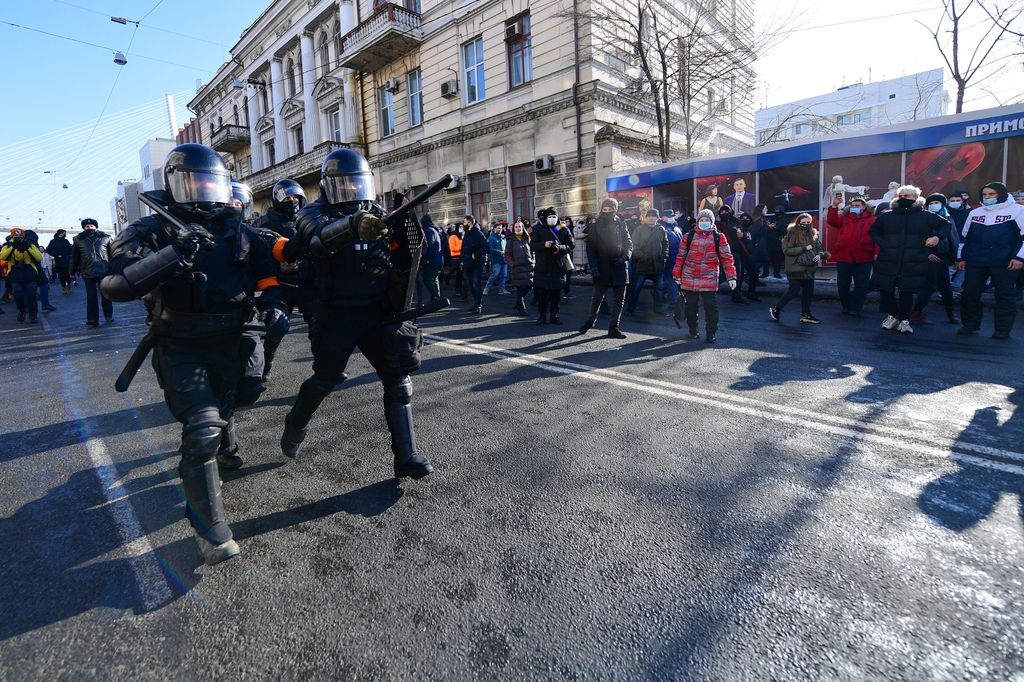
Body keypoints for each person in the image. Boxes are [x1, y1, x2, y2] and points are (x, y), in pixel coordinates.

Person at [101, 143, 287, 565]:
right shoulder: (150, 231)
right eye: (194, 181)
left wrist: (274, 306)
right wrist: (174, 252)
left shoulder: (239, 230)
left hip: (237, 337)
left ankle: (226, 437)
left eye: (210, 181)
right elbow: (116, 286)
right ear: (176, 185)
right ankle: (208, 525)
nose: (203, 190)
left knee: (245, 394)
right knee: (202, 427)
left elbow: (265, 277)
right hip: (181, 341)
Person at [275, 147, 434, 482]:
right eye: (345, 184)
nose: (352, 191)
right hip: (336, 312)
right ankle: (295, 423)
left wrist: (410, 233)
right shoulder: (311, 213)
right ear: (329, 185)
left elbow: (402, 255)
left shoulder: (375, 211)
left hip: (377, 310)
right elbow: (318, 240)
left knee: (398, 381)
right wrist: (353, 225)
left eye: (357, 183)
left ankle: (406, 457)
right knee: (325, 378)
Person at [254, 178, 317, 380]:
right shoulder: (264, 223)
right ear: (277, 199)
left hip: (307, 281)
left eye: (295, 196)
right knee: (276, 325)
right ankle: (266, 362)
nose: (292, 200)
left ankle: (325, 365)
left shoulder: (309, 217)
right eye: (287, 197)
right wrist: (277, 265)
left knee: (319, 324)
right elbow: (258, 254)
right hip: (281, 284)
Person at [869, 185, 949, 335]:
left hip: (914, 260)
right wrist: (882, 242)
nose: (906, 198)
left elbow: (946, 225)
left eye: (910, 196)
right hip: (888, 259)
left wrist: (937, 237)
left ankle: (905, 321)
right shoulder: (887, 216)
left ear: (916, 198)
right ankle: (892, 316)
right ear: (898, 197)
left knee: (907, 290)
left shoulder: (926, 215)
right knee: (886, 289)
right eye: (903, 195)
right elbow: (874, 230)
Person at [956, 181, 1024, 339]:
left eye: (991, 194)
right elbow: (964, 239)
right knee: (969, 293)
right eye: (985, 194)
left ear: (1001, 194)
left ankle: (1002, 330)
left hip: (1005, 262)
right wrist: (961, 257)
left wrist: (1019, 258)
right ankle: (970, 325)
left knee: (1004, 296)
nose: (987, 197)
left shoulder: (1018, 211)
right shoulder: (975, 213)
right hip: (976, 261)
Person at [672, 209, 736, 343]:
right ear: (697, 221)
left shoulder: (719, 237)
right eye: (702, 220)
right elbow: (680, 257)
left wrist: (731, 276)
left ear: (712, 222)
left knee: (711, 308)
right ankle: (693, 332)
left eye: (707, 220)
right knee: (691, 308)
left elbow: (726, 258)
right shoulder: (688, 236)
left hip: (709, 279)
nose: (704, 222)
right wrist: (677, 275)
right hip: (689, 277)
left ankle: (710, 334)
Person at [579, 198, 632, 339]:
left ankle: (614, 327)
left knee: (619, 300)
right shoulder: (595, 226)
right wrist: (594, 268)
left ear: (615, 210)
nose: (607, 212)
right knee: (597, 298)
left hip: (619, 266)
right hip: (602, 266)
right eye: (605, 209)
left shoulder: (621, 223)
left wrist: (624, 258)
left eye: (610, 209)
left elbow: (629, 244)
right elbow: (590, 249)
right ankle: (590, 321)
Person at [769, 214, 830, 324]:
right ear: (798, 222)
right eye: (804, 222)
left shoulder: (813, 234)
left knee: (808, 292)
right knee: (793, 291)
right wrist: (804, 248)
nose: (806, 224)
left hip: (809, 268)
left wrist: (820, 255)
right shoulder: (791, 234)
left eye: (808, 222)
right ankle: (776, 309)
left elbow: (821, 249)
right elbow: (787, 251)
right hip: (795, 267)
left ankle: (806, 315)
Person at [911, 193, 960, 325]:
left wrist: (956, 257)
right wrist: (927, 253)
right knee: (930, 285)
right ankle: (916, 313)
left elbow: (953, 239)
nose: (934, 205)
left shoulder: (948, 217)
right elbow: (917, 238)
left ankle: (950, 312)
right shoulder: (925, 218)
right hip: (928, 257)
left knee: (944, 287)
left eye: (937, 203)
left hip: (942, 256)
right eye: (931, 203)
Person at [826, 194, 876, 316]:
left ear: (864, 207)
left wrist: (876, 252)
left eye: (857, 205)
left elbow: (877, 238)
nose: (854, 207)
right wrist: (834, 206)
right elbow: (832, 221)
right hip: (844, 256)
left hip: (863, 257)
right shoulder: (844, 218)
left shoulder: (873, 220)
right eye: (852, 205)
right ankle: (846, 306)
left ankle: (855, 307)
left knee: (861, 284)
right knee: (843, 284)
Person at [530, 207, 574, 325]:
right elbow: (532, 245)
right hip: (542, 267)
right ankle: (542, 315)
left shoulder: (562, 229)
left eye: (554, 216)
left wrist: (560, 248)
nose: (552, 219)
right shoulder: (538, 229)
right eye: (550, 217)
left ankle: (554, 315)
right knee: (542, 293)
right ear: (545, 218)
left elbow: (571, 245)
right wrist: (544, 245)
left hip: (558, 267)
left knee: (556, 294)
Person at [69, 218, 114, 327]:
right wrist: (72, 271)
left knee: (106, 295)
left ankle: (108, 315)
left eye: (91, 226)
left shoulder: (106, 238)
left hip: (104, 270)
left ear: (96, 226)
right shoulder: (78, 239)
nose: (89, 227)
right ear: (84, 228)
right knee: (91, 297)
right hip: (87, 272)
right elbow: (74, 257)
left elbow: (112, 255)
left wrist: (114, 269)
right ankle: (92, 320)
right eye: (87, 226)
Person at [625, 209, 669, 317]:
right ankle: (630, 309)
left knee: (658, 289)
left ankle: (658, 309)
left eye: (653, 216)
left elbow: (665, 244)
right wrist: (643, 257)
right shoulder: (639, 230)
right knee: (636, 288)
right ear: (646, 217)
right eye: (649, 216)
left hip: (657, 265)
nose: (651, 218)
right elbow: (634, 246)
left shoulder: (661, 229)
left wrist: (664, 257)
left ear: (657, 218)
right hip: (642, 265)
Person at [0, 228, 43, 323]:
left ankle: (33, 314)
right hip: (15, 272)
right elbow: (2, 257)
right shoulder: (7, 245)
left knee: (32, 293)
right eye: (16, 237)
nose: (18, 238)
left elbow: (39, 257)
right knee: (17, 293)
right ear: (12, 236)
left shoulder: (30, 244)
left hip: (29, 271)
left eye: (20, 236)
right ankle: (22, 310)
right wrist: (12, 246)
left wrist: (28, 247)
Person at [716, 205, 747, 304]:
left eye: (726, 211)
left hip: (737, 250)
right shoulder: (718, 224)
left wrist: (741, 234)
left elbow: (743, 234)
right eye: (722, 212)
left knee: (737, 273)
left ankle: (736, 294)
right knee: (726, 274)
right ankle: (708, 288)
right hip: (724, 252)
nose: (724, 213)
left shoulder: (736, 222)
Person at [504, 219, 535, 316]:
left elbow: (532, 251)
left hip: (528, 267)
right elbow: (507, 255)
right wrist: (512, 264)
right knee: (520, 288)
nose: (518, 228)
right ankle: (522, 308)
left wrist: (533, 261)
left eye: (520, 227)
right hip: (517, 268)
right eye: (516, 227)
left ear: (523, 228)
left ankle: (517, 303)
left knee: (529, 286)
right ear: (513, 229)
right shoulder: (511, 240)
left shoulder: (527, 238)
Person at [460, 214, 489, 314]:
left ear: (469, 222)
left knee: (476, 283)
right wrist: (462, 260)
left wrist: (476, 254)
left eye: (464, 222)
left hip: (477, 263)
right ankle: (475, 303)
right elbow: (464, 248)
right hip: (467, 263)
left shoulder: (477, 233)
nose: (463, 224)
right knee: (470, 284)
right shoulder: (467, 233)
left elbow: (486, 247)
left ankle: (478, 305)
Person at [659, 209, 684, 310]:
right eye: (669, 216)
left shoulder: (676, 228)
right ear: (663, 217)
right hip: (669, 260)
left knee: (671, 282)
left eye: (672, 216)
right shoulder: (662, 229)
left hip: (677, 259)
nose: (671, 218)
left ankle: (662, 294)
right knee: (671, 281)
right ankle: (673, 302)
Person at [745, 205, 770, 301]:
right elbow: (752, 234)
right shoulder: (757, 221)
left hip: (760, 247)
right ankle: (751, 291)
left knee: (757, 268)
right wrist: (754, 246)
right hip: (757, 249)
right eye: (765, 208)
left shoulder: (762, 219)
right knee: (754, 270)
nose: (767, 210)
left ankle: (752, 288)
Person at [419, 214, 444, 302]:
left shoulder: (428, 231)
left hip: (431, 260)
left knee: (427, 279)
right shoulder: (435, 230)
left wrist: (426, 258)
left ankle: (435, 296)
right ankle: (436, 297)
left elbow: (429, 246)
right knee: (434, 278)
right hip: (439, 259)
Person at [483, 222, 509, 296]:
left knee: (504, 275)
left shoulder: (503, 236)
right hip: (496, 259)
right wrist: (500, 252)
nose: (500, 229)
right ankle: (486, 288)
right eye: (498, 228)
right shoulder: (491, 238)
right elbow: (490, 249)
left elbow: (506, 246)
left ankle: (502, 290)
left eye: (501, 228)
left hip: (504, 259)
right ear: (494, 229)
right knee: (495, 274)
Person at [46, 229, 73, 293]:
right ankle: (64, 287)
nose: (65, 234)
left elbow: (70, 249)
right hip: (59, 261)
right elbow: (48, 250)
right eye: (64, 233)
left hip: (67, 260)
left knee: (69, 274)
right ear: (60, 233)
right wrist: (56, 255)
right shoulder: (53, 241)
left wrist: (71, 255)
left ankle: (69, 285)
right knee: (62, 275)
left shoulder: (66, 241)